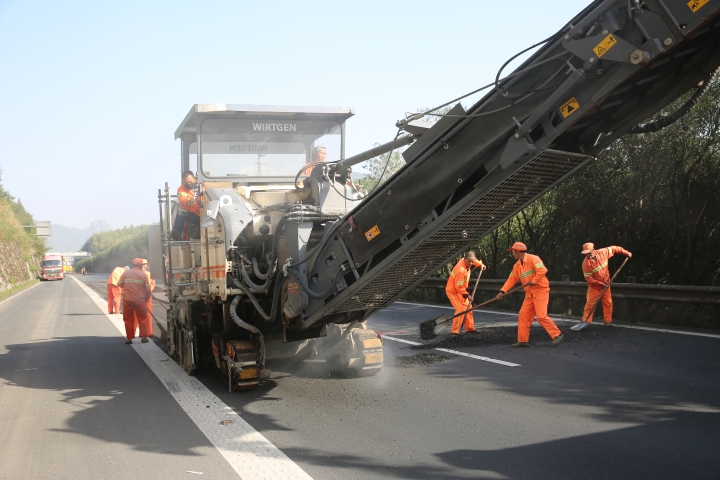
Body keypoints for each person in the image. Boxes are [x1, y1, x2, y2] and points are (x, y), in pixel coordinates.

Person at [496, 242, 563, 347]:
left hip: (540, 291)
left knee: (541, 316)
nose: (512, 254)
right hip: (529, 294)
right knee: (523, 315)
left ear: (518, 251)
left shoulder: (533, 258)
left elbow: (543, 270)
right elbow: (511, 279)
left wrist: (534, 281)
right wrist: (502, 291)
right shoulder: (517, 265)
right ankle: (523, 340)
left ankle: (557, 335)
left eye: (513, 251)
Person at [580, 243, 632, 327]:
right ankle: (585, 321)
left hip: (606, 284)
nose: (587, 255)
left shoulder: (603, 252)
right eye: (586, 253)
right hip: (594, 287)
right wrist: (600, 283)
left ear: (593, 249)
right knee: (590, 304)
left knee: (608, 303)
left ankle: (608, 321)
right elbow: (589, 278)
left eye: (588, 252)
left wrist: (626, 253)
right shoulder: (586, 264)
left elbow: (615, 248)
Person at [445, 251, 486, 334]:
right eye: (469, 261)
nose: (471, 263)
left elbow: (474, 261)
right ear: (465, 259)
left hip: (461, 290)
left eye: (472, 261)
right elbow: (459, 287)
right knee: (460, 310)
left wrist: (480, 264)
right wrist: (467, 295)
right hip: (453, 291)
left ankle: (470, 329)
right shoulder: (461, 270)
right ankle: (455, 332)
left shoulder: (467, 261)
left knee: (468, 308)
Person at [117, 258, 152, 344]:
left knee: (128, 319)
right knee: (142, 318)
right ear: (141, 265)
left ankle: (129, 338)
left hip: (128, 300)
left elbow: (119, 284)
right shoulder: (143, 275)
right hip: (140, 300)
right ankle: (144, 337)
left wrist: (128, 286)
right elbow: (148, 290)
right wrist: (146, 299)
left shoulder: (126, 273)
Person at [172, 171, 201, 240]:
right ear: (183, 182)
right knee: (181, 212)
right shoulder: (181, 189)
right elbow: (181, 199)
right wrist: (188, 202)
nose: (189, 184)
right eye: (186, 183)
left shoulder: (203, 185)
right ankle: (177, 233)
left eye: (190, 182)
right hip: (194, 216)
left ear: (194, 179)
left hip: (206, 214)